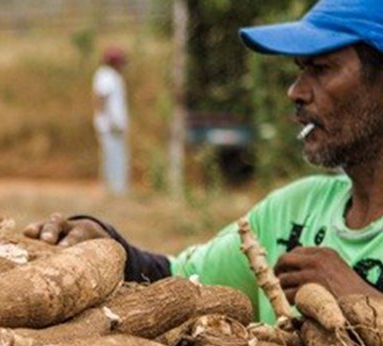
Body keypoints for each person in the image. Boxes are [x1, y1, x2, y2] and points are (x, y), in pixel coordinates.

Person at [25, 0, 383, 325]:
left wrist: (359, 297)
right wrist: (107, 246)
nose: (296, 91)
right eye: (301, 70)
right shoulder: (293, 210)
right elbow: (181, 278)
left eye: (321, 68)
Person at [93, 46, 130, 196]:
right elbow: (102, 99)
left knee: (117, 156)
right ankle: (114, 189)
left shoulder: (111, 76)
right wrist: (110, 121)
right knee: (113, 157)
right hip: (110, 125)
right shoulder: (106, 76)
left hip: (113, 124)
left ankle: (117, 188)